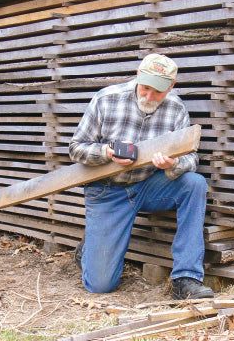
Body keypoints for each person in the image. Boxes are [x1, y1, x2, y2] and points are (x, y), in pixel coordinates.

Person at [69, 53, 213, 300]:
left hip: (149, 185)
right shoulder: (106, 99)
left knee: (194, 183)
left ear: (171, 86)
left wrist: (173, 163)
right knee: (100, 285)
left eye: (157, 91)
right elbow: (76, 148)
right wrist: (107, 152)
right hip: (108, 191)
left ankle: (186, 278)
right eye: (145, 88)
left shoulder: (176, 108)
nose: (148, 96)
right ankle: (89, 248)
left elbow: (192, 160)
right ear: (138, 76)